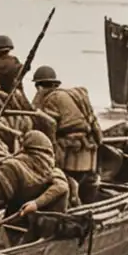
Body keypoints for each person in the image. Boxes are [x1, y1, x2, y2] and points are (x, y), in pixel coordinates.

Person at [31, 65, 103, 204]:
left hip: (70, 150)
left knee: (61, 177)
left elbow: (48, 125)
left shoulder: (51, 99)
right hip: (89, 147)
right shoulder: (71, 94)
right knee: (88, 183)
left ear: (39, 87)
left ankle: (73, 202)